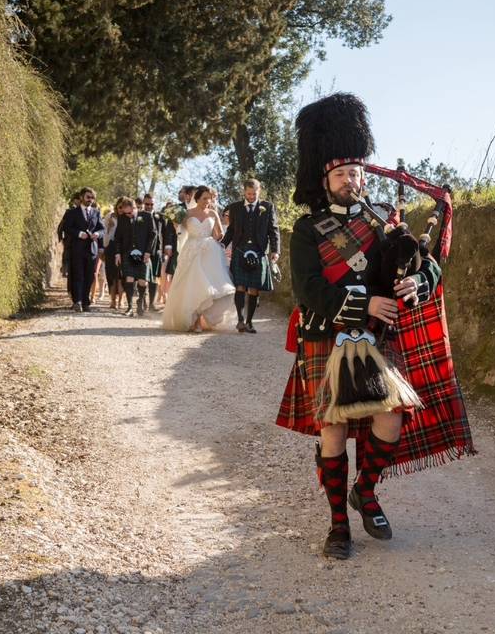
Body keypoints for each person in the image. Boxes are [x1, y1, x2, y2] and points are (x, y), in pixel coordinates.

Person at [275, 93, 474, 560]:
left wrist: (419, 284)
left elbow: (429, 267)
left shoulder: (383, 222)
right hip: (327, 336)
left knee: (391, 416)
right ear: (324, 180)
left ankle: (366, 489)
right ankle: (338, 526)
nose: (353, 181)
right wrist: (367, 304)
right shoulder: (308, 230)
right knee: (334, 431)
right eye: (343, 174)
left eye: (357, 172)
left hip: (375, 341)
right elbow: (309, 294)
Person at [162, 186, 235, 332]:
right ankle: (193, 320)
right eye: (204, 198)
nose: (207, 201)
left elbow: (219, 233)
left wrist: (213, 240)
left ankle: (201, 319)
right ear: (197, 199)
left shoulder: (213, 213)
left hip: (209, 251)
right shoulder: (187, 213)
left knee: (209, 285)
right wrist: (175, 221)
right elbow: (179, 230)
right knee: (192, 283)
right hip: (191, 250)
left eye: (209, 198)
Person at [222, 178, 280, 333]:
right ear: (244, 192)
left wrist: (275, 251)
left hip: (259, 251)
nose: (252, 197)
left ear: (259, 191)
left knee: (254, 289)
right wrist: (223, 243)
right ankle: (240, 321)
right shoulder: (235, 208)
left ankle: (250, 322)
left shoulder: (267, 207)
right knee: (240, 286)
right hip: (240, 250)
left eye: (254, 194)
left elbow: (274, 230)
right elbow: (231, 230)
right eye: (249, 194)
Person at [62, 187, 104, 312]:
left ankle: (85, 302)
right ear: (81, 197)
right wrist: (79, 234)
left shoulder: (96, 212)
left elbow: (102, 229)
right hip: (77, 248)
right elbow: (67, 228)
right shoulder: (72, 213)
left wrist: (97, 234)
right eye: (88, 197)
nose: (90, 200)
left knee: (89, 276)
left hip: (92, 249)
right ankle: (78, 301)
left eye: (92, 198)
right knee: (78, 275)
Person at [114, 196, 155, 316]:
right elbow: (118, 238)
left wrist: (148, 252)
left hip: (143, 253)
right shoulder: (122, 218)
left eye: (130, 212)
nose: (128, 215)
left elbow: (153, 235)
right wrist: (117, 253)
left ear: (135, 208)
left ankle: (140, 302)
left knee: (143, 281)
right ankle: (130, 307)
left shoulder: (147, 217)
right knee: (129, 278)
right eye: (126, 213)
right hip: (128, 253)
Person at [162, 185, 194, 290]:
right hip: (178, 244)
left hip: (195, 245)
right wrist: (168, 246)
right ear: (188, 196)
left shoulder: (200, 209)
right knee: (175, 273)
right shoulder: (177, 209)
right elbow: (169, 229)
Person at [141, 193, 166, 311]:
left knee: (154, 278)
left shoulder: (160, 217)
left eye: (152, 204)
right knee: (143, 276)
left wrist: (165, 249)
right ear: (143, 203)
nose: (149, 206)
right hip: (142, 251)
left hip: (157, 251)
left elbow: (165, 234)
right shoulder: (139, 216)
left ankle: (151, 303)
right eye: (147, 204)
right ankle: (142, 301)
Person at [56, 191, 83, 299]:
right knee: (70, 269)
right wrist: (62, 239)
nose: (78, 201)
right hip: (70, 244)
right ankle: (72, 294)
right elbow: (61, 227)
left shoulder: (88, 212)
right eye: (77, 199)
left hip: (82, 245)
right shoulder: (69, 212)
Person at [103, 200, 124, 309]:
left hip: (123, 249)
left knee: (121, 277)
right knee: (111, 276)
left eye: (123, 207)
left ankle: (121, 301)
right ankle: (112, 301)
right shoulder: (109, 216)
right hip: (110, 248)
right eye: (119, 207)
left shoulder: (127, 218)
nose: (121, 209)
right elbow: (104, 233)